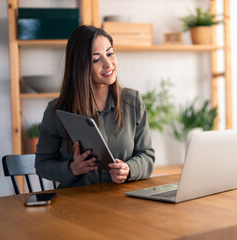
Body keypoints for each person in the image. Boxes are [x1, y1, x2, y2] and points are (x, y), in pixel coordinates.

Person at [35, 25, 155, 188]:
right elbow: (42, 165)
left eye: (110, 53)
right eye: (96, 59)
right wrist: (72, 168)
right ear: (80, 66)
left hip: (121, 203)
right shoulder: (57, 110)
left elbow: (146, 155)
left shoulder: (132, 101)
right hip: (76, 205)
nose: (108, 64)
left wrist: (129, 169)